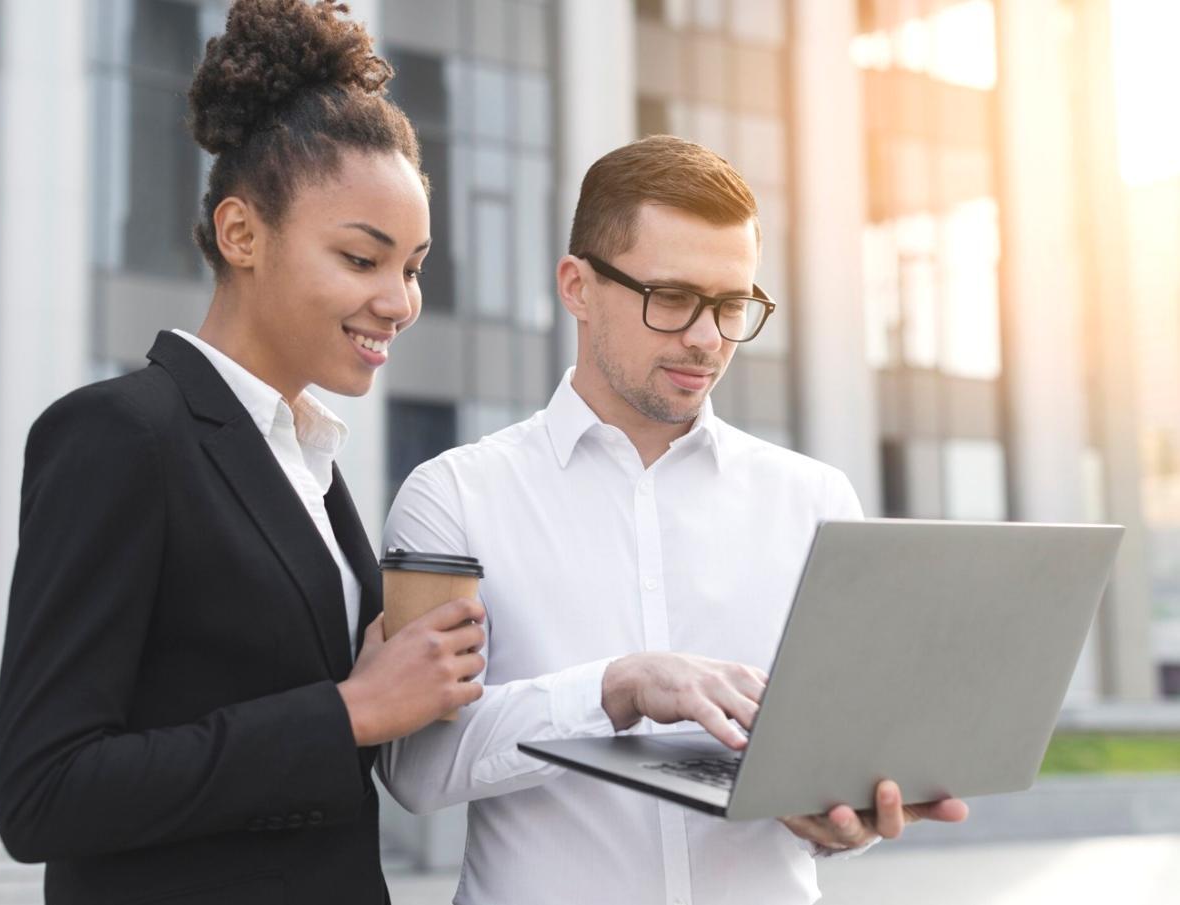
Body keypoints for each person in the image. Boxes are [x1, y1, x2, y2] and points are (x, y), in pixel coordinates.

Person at [381, 135, 969, 905]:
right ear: (577, 285)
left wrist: (843, 820)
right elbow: (417, 773)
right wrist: (615, 687)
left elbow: (838, 767)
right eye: (672, 298)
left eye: (731, 305)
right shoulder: (453, 496)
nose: (705, 337)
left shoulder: (816, 502)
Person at [0, 3, 485, 903]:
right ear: (241, 234)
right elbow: (42, 791)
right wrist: (349, 710)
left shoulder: (312, 464)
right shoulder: (120, 435)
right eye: (361, 258)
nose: (400, 300)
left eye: (412, 266)